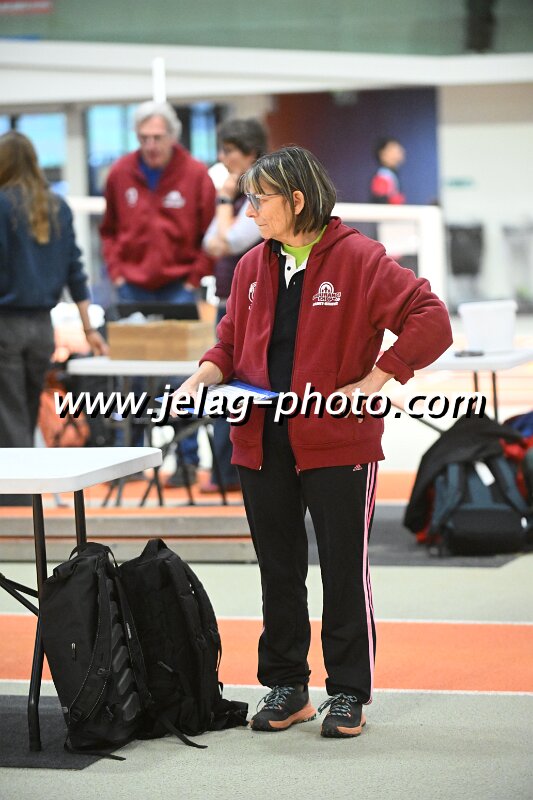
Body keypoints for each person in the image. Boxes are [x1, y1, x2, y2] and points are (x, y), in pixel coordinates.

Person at [173, 146, 452, 738]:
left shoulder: (360, 259)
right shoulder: (251, 266)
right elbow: (230, 341)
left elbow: (432, 317)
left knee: (343, 571)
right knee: (278, 570)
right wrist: (205, 373)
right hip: (260, 440)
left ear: (298, 200)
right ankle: (288, 685)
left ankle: (348, 692)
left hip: (338, 441)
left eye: (260, 199)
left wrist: (378, 377)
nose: (250, 211)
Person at [100, 101, 216, 484]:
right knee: (130, 378)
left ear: (172, 137)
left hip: (179, 288)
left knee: (182, 378)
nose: (151, 144)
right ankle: (129, 463)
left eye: (158, 137)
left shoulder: (195, 174)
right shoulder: (121, 173)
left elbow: (210, 233)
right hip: (132, 287)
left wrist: (194, 278)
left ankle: (187, 461)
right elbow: (108, 230)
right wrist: (117, 274)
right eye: (144, 137)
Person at [0, 131, 107, 501]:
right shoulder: (57, 206)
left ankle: (13, 495)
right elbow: (75, 271)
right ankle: (23, 489)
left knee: (10, 411)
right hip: (43, 327)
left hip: (6, 322)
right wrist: (88, 328)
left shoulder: (1, 205)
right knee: (27, 407)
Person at [200, 118, 267, 494]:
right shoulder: (238, 197)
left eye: (228, 151)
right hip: (227, 302)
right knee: (222, 386)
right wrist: (226, 203)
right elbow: (212, 243)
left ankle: (241, 472)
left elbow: (231, 242)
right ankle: (225, 473)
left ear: (250, 153)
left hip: (255, 306)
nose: (222, 158)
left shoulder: (261, 194)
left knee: (248, 390)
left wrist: (225, 200)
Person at [369, 137, 406, 205]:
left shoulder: (392, 174)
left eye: (398, 149)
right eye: (392, 150)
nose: (398, 153)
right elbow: (380, 201)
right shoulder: (383, 175)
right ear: (382, 154)